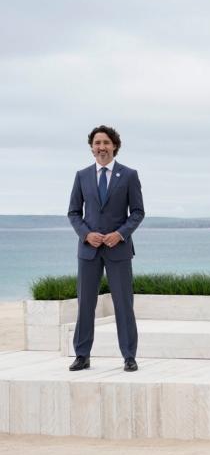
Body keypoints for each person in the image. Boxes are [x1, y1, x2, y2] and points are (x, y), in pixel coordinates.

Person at [67, 125, 145, 372]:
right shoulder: (82, 176)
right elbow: (73, 212)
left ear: (114, 146)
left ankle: (129, 356)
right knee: (85, 304)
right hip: (88, 250)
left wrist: (120, 234)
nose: (102, 147)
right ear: (92, 148)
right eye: (97, 143)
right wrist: (86, 234)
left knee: (124, 304)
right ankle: (82, 354)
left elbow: (138, 212)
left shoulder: (129, 175)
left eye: (106, 143)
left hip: (118, 250)